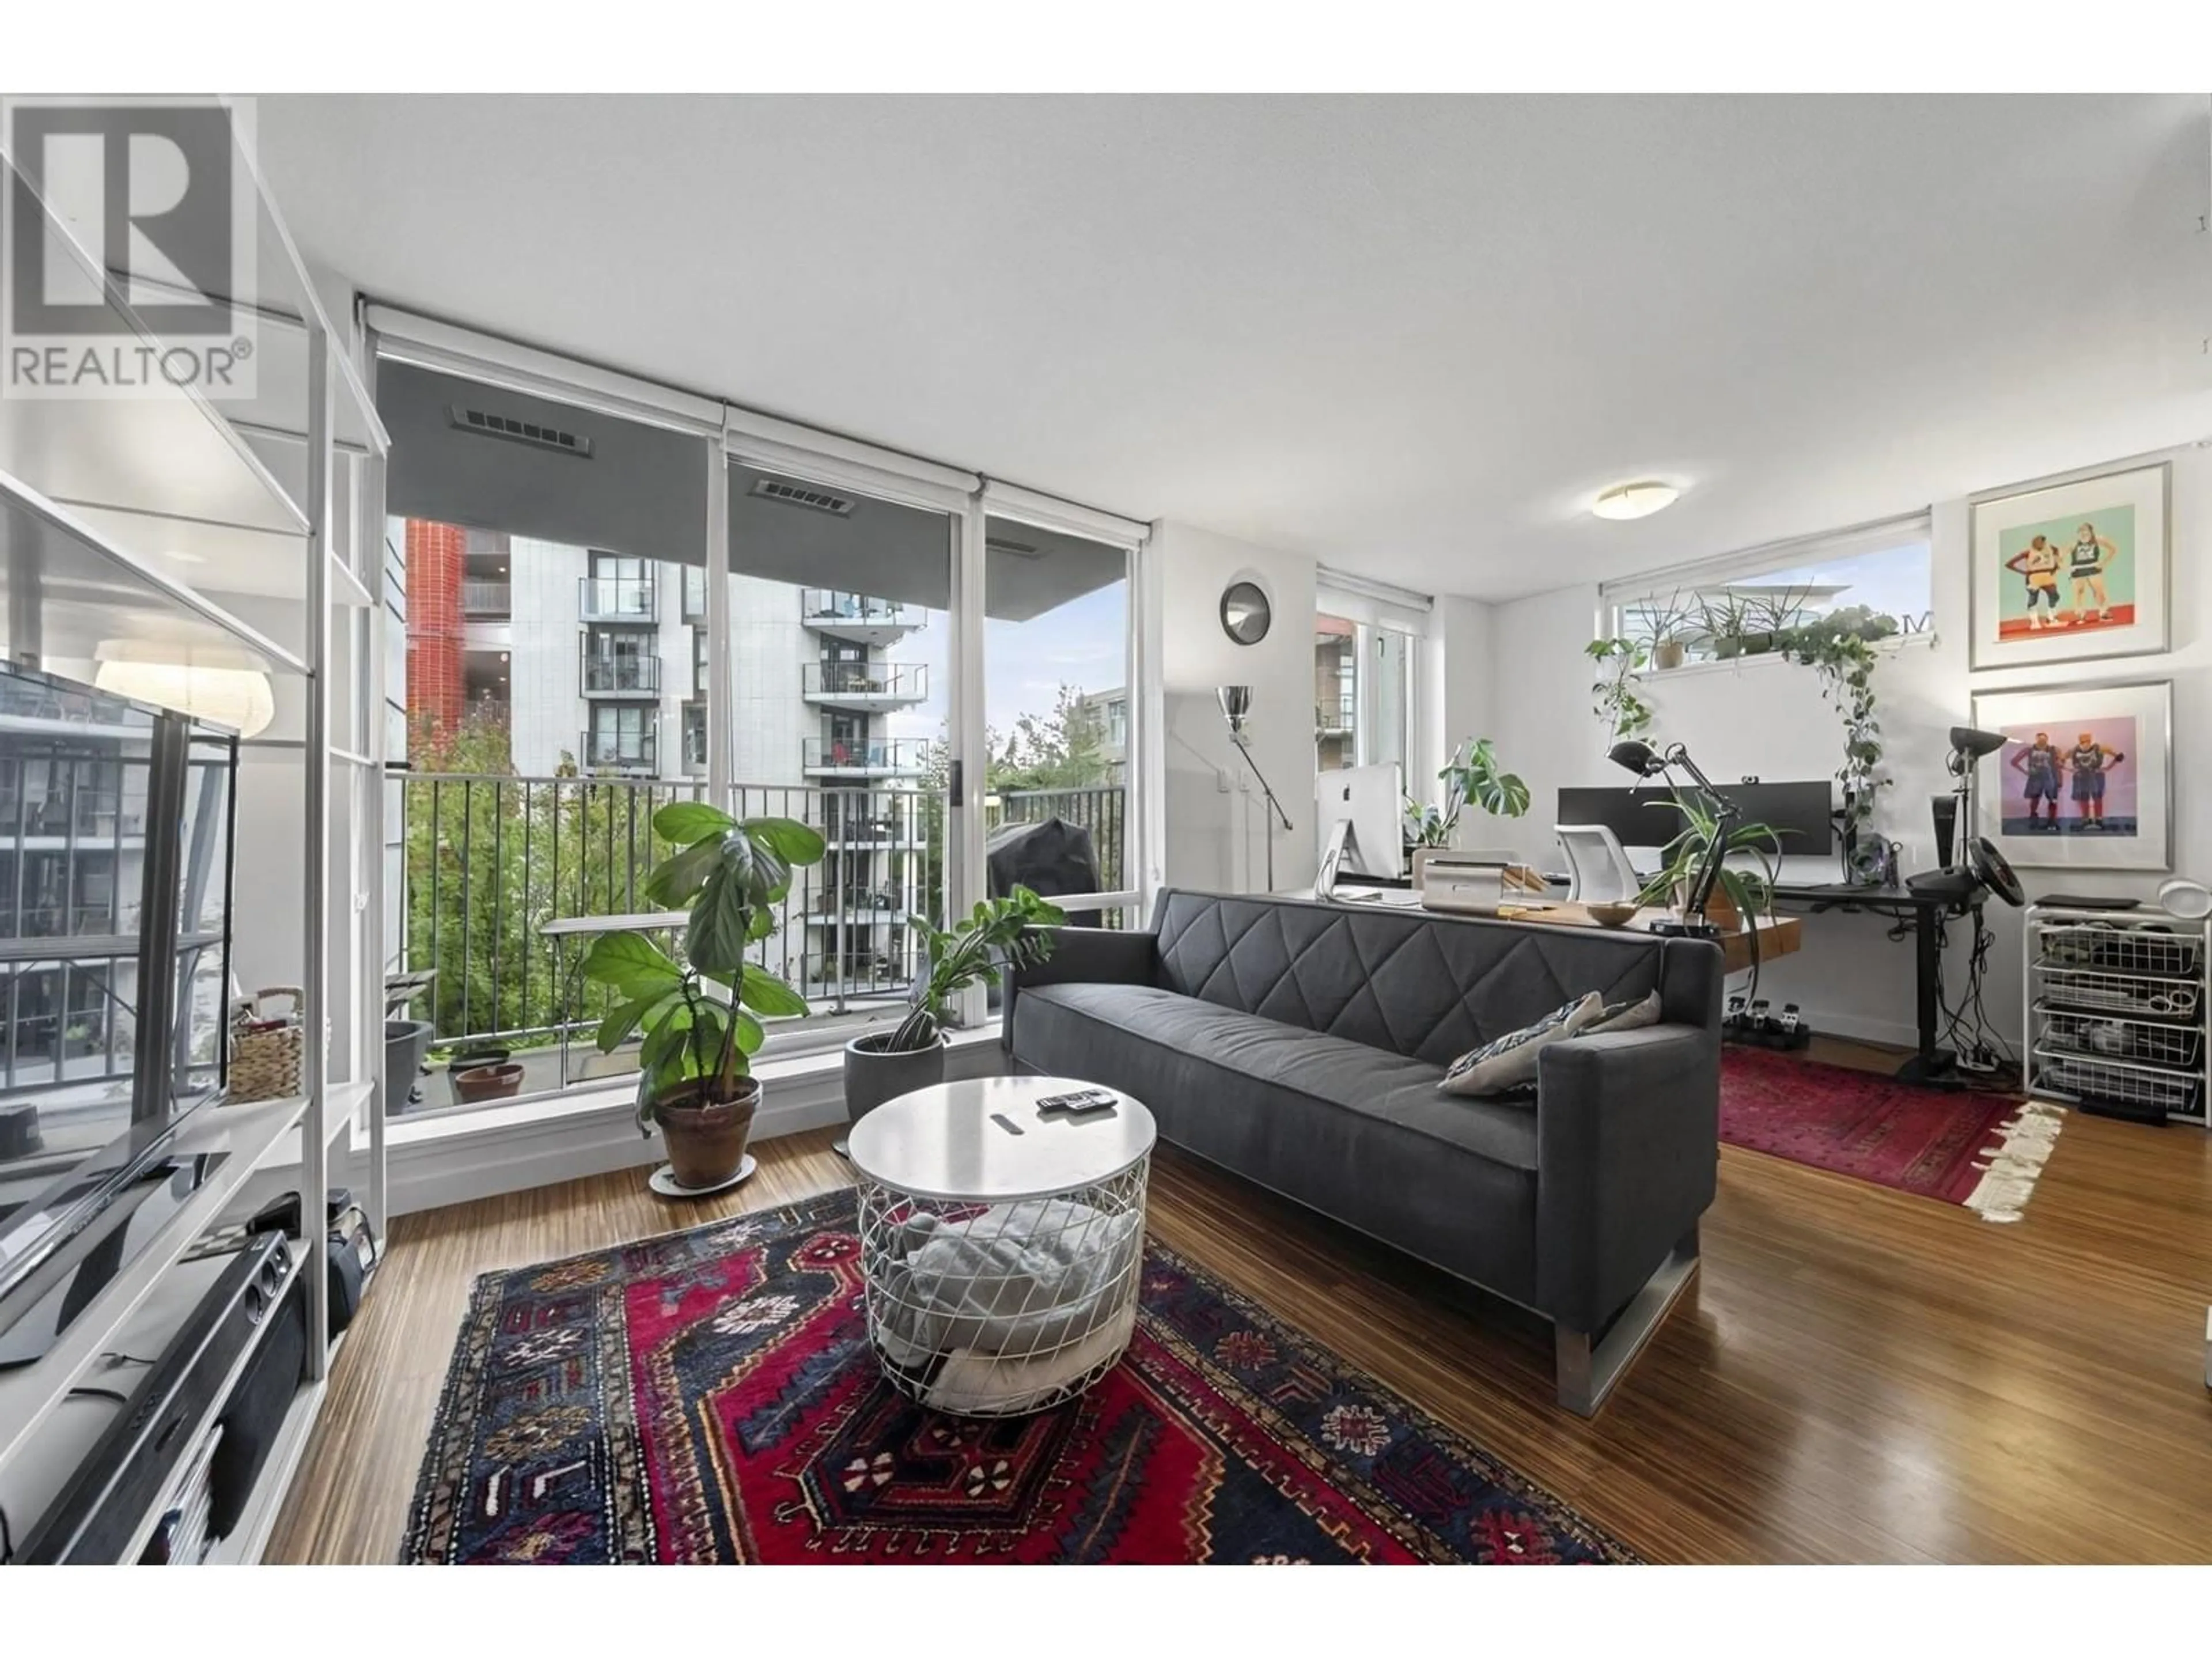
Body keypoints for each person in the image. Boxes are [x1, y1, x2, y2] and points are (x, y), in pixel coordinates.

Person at [2066, 730, 2126, 830]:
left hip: (2096, 775)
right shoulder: (2074, 751)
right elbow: (2059, 760)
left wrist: (2108, 768)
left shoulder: (2100, 748)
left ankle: (2099, 820)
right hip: (2082, 776)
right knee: (2083, 798)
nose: (2085, 743)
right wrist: (2069, 769)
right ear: (2079, 741)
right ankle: (2085, 819)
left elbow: (2119, 756)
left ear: (2091, 740)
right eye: (2082, 741)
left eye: (2087, 741)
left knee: (2097, 797)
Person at [2004, 535, 2065, 630]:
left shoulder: (2050, 549)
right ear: (2034, 543)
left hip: (2047, 577)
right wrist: (2024, 572)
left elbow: (2057, 554)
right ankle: (2034, 622)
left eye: (2043, 542)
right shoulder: (2028, 552)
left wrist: (2056, 566)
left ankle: (2051, 618)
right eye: (2040, 542)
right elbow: (2009, 564)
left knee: (2055, 596)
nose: (2042, 544)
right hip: (2034, 578)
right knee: (2033, 598)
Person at [2066, 521, 2119, 623]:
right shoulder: (2074, 544)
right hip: (2078, 569)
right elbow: (2060, 556)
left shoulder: (2098, 540)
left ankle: (2103, 612)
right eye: (2081, 531)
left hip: (2093, 568)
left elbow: (2113, 549)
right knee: (2079, 592)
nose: (2083, 533)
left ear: (2091, 531)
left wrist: (2103, 563)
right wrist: (2067, 568)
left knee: (2099, 591)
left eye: (2085, 531)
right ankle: (2081, 614)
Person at [2009, 731, 2062, 828]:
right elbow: (2014, 761)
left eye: (2044, 739)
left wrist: (2059, 781)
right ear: (2036, 739)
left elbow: (2060, 765)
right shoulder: (2029, 750)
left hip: (2050, 778)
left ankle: (2052, 821)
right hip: (2036, 778)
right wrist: (2025, 771)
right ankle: (2033, 818)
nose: (2042, 741)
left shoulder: (2053, 750)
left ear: (2047, 740)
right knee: (2035, 800)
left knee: (2053, 800)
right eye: (2040, 739)